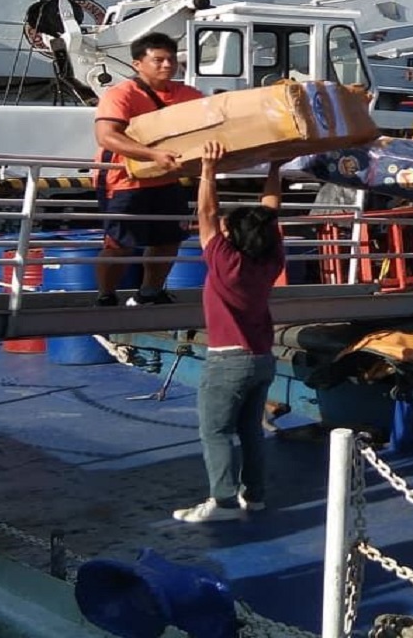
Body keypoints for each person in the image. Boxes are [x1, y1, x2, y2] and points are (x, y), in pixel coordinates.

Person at [174, 141, 284, 523]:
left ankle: (221, 502)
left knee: (215, 432)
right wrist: (274, 169)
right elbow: (269, 213)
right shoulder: (270, 257)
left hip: (227, 360)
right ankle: (255, 496)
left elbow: (206, 210)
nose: (220, 226)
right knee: (250, 431)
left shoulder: (225, 261)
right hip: (261, 357)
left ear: (232, 237)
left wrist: (208, 168)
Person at [92, 33, 201, 306]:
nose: (167, 65)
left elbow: (216, 115)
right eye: (158, 60)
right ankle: (105, 295)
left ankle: (150, 291)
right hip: (123, 179)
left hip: (167, 177)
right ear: (137, 63)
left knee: (168, 238)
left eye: (171, 60)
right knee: (120, 243)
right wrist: (152, 154)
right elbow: (107, 136)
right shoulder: (121, 94)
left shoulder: (186, 95)